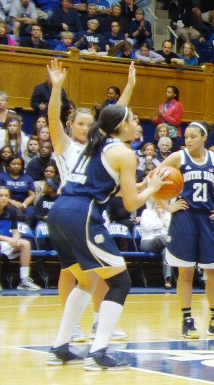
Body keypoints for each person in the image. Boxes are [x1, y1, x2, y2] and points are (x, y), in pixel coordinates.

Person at [46, 104, 169, 370]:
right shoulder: (124, 153)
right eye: (134, 120)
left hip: (59, 212)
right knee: (120, 282)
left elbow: (112, 188)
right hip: (82, 214)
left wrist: (144, 184)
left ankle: (59, 347)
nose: (137, 125)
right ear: (122, 125)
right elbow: (130, 204)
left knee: (87, 279)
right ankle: (98, 352)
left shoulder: (96, 145)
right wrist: (153, 189)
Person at [48, 59, 135, 342]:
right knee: (71, 274)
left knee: (99, 273)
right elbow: (53, 119)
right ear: (71, 125)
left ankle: (99, 321)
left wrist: (129, 87)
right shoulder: (65, 145)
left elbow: (116, 118)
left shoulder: (100, 147)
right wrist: (56, 88)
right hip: (74, 210)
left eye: (89, 124)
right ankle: (72, 327)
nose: (85, 128)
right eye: (80, 124)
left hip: (93, 212)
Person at [161, 121, 214, 339]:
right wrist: (167, 206)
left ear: (203, 138)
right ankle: (187, 321)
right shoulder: (178, 157)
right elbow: (153, 178)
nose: (187, 140)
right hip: (184, 218)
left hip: (206, 217)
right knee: (185, 272)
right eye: (186, 136)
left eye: (192, 137)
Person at [0, 185, 40, 291]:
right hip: (4, 240)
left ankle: (24, 281)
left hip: (6, 242)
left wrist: (15, 239)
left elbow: (15, 232)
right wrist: (8, 239)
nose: (3, 198)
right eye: (1, 195)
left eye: (6, 196)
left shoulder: (11, 211)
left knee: (25, 244)